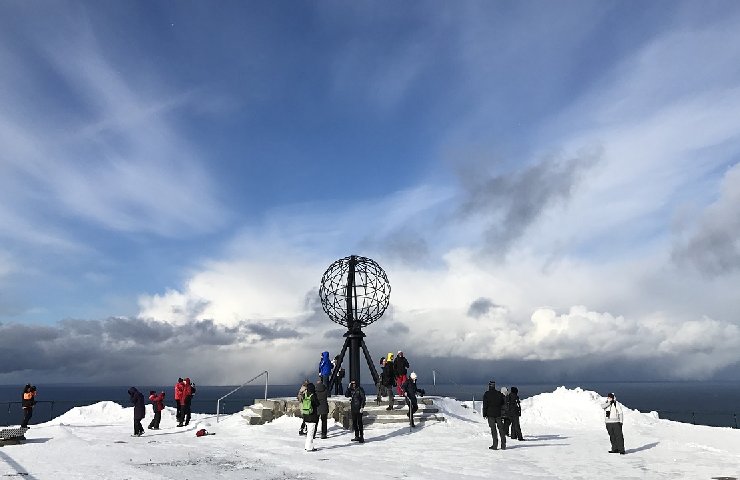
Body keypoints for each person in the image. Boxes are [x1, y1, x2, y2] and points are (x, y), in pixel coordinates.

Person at [482, 380, 507, 450]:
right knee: (501, 429)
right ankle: (503, 445)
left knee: (493, 430)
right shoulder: (499, 393)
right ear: (494, 386)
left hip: (490, 414)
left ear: (489, 386)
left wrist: (484, 414)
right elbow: (502, 403)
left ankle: (495, 445)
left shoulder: (487, 394)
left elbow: (485, 405)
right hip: (498, 413)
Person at [302, 381, 320, 451]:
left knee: (308, 432)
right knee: (311, 433)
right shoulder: (313, 395)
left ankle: (307, 446)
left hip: (306, 415)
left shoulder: (305, 395)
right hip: (312, 416)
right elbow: (317, 404)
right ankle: (309, 447)